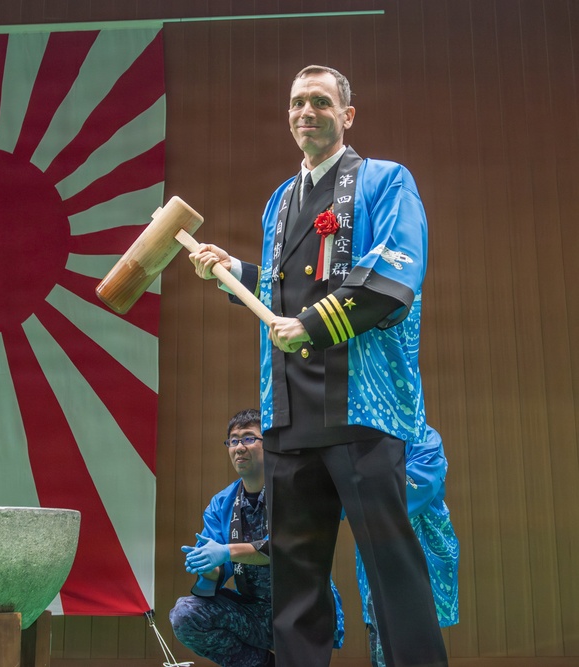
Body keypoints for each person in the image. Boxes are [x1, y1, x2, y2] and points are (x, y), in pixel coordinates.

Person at [188, 65, 447, 666]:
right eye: (297, 103)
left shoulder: (387, 181)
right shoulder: (280, 200)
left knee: (392, 571)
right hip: (289, 416)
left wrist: (307, 325)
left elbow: (394, 272)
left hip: (361, 412)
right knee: (295, 585)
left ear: (346, 115)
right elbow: (283, 297)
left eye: (321, 102)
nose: (306, 112)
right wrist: (237, 276)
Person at [169, 409, 344, 667]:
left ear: (270, 445)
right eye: (233, 440)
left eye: (249, 438)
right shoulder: (221, 504)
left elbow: (286, 547)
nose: (239, 447)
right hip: (255, 613)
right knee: (185, 614)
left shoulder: (296, 490)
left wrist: (227, 551)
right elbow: (219, 569)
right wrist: (207, 567)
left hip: (304, 610)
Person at [357, 426, 460, 667]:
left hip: (422, 542)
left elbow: (420, 485)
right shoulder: (363, 437)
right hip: (376, 541)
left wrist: (366, 491)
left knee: (417, 632)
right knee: (379, 627)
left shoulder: (425, 436)